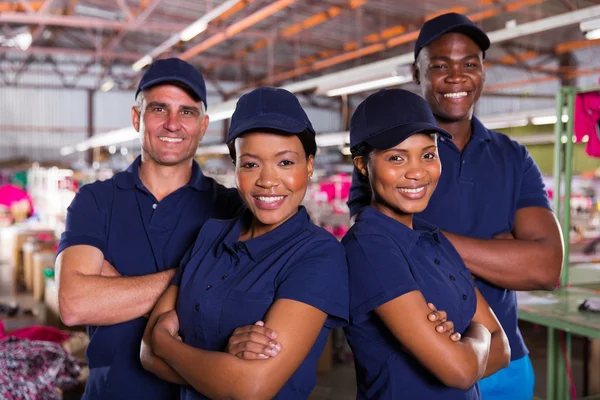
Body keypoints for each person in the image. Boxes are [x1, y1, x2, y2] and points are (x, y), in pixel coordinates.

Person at [348, 13, 564, 400]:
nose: (456, 76)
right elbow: (381, 248)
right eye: (440, 65)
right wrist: (501, 250)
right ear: (417, 73)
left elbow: (546, 266)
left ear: (483, 70)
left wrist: (430, 242)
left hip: (508, 359)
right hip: (424, 364)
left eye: (469, 64)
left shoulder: (514, 157)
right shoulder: (380, 155)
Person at [55, 58, 248, 399]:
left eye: (187, 112)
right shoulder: (95, 201)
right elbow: (74, 303)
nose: (173, 124)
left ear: (203, 125)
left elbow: (242, 303)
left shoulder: (231, 209)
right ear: (137, 118)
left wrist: (114, 289)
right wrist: (197, 280)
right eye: (159, 108)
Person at [140, 87, 349, 399]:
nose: (267, 180)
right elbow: (146, 355)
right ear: (235, 169)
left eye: (286, 163)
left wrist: (165, 342)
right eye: (250, 164)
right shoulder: (209, 235)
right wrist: (222, 370)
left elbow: (251, 387)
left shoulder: (319, 256)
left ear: (309, 165)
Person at [343, 88, 510, 399]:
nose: (417, 172)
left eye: (428, 154)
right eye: (396, 157)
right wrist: (477, 333)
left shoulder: (434, 238)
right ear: (363, 166)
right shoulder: (369, 248)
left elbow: (505, 346)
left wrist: (463, 346)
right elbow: (459, 371)